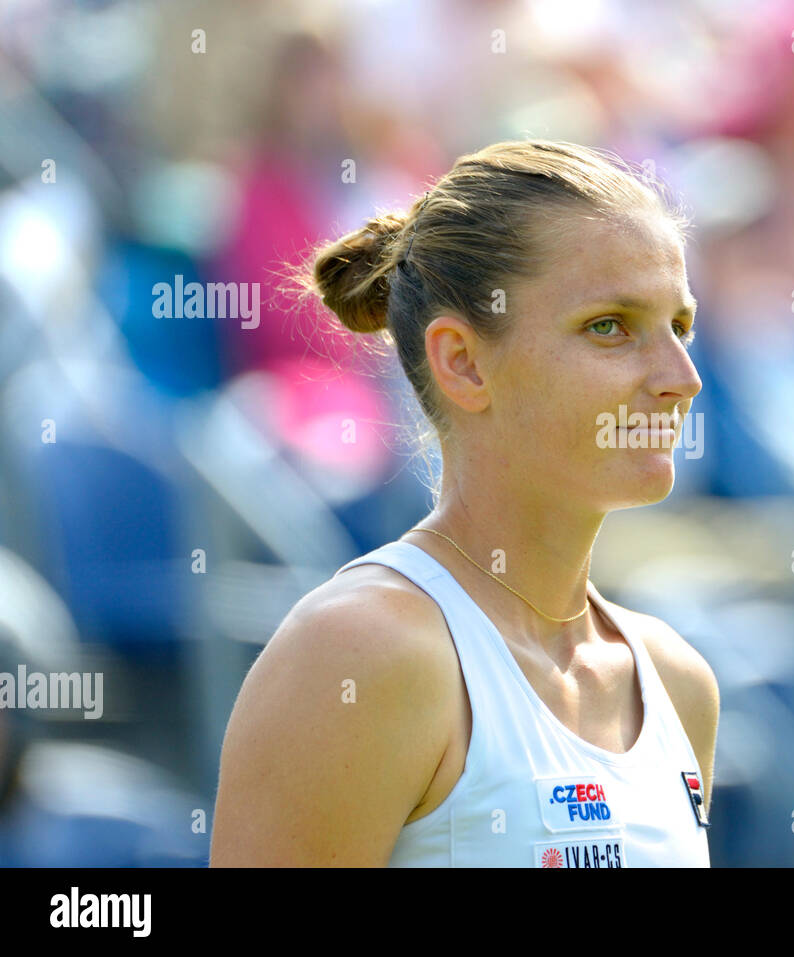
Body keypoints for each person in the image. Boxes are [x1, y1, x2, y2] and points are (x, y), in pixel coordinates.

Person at [209, 140, 718, 867]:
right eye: (610, 325)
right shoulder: (360, 652)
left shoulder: (677, 681)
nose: (683, 376)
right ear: (463, 362)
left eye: (681, 326)